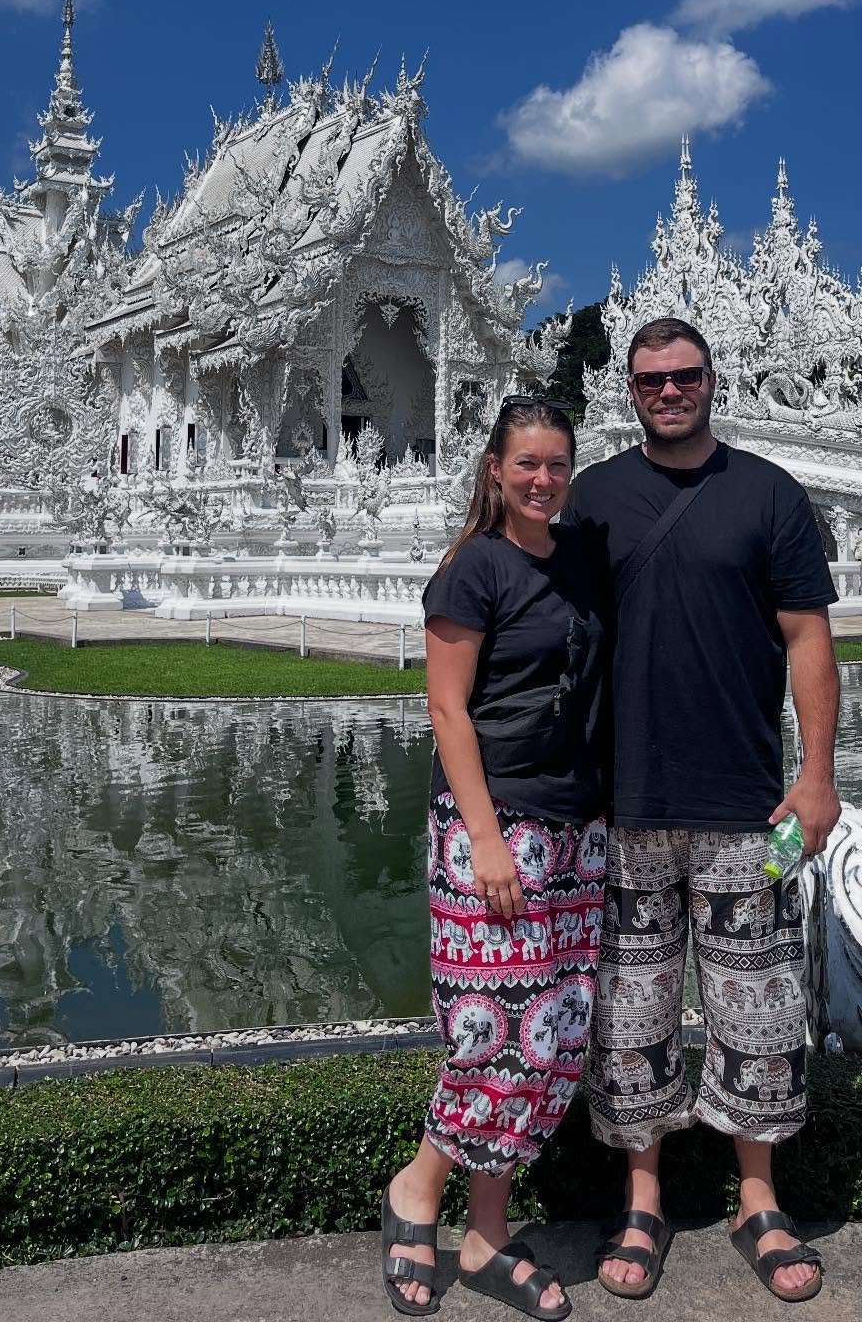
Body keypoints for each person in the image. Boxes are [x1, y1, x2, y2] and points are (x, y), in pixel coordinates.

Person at [561, 318, 839, 1306]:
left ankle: (758, 1201)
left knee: (755, 1009)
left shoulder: (766, 494)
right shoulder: (591, 499)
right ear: (627, 391)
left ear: (713, 382)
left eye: (684, 376)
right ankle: (643, 1202)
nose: (668, 391)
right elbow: (542, 621)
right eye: (650, 380)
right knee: (630, 1016)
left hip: (747, 808)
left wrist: (816, 778)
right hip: (622, 804)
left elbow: (808, 637)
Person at [381, 398, 609, 1319]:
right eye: (528, 466)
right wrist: (482, 838)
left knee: (551, 1039)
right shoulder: (473, 568)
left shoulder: (580, 561)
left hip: (574, 825)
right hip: (495, 826)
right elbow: (445, 708)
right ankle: (417, 1189)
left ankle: (485, 1234)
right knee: (493, 1037)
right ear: (494, 470)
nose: (544, 481)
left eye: (558, 465)